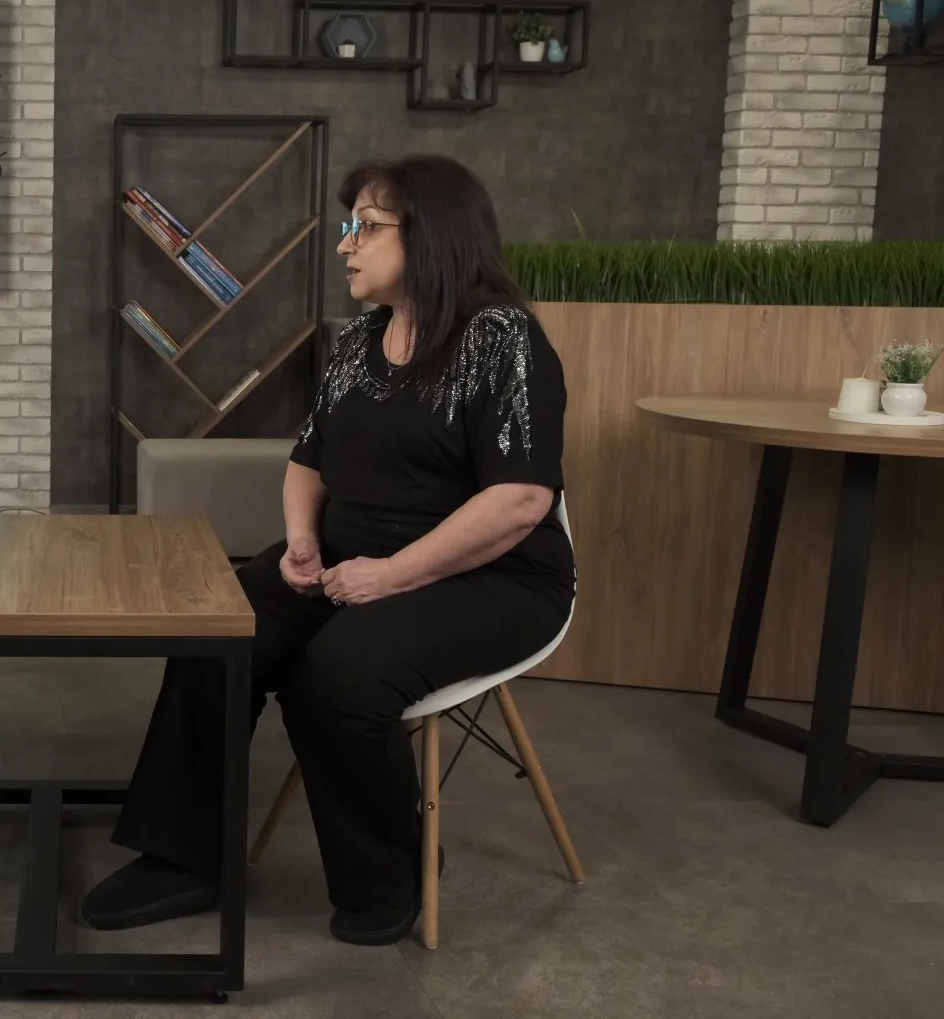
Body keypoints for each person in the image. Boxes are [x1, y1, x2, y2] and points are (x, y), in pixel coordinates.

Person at [81, 154, 574, 947]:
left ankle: (390, 875)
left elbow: (520, 500)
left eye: (366, 227)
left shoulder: (502, 339)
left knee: (339, 674)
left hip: (494, 578)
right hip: (351, 558)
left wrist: (393, 575)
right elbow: (308, 461)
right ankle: (183, 857)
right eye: (350, 227)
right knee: (217, 633)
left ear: (433, 233)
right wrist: (303, 540)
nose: (346, 245)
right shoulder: (359, 343)